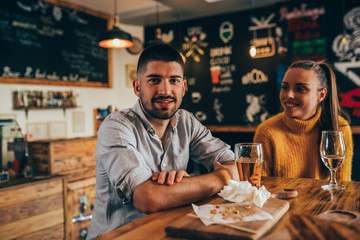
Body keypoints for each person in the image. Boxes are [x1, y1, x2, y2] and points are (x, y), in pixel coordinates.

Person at [87, 43, 238, 239]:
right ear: (137, 86)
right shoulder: (115, 126)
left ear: (183, 87)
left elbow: (234, 166)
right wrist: (220, 178)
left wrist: (190, 183)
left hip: (166, 232)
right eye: (154, 80)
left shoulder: (187, 122)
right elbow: (149, 199)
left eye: (173, 80)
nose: (165, 90)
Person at [254, 60, 353, 181]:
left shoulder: (340, 128)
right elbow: (260, 190)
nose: (289, 95)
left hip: (326, 200)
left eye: (301, 89)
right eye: (285, 87)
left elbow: (342, 187)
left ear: (321, 95)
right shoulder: (266, 132)